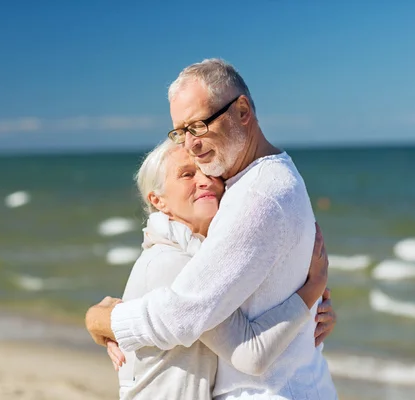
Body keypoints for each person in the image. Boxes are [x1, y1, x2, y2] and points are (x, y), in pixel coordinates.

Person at [86, 58, 339, 399]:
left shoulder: (257, 195)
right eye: (180, 131)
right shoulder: (254, 182)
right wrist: (311, 297)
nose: (189, 144)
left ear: (243, 111)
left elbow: (180, 315)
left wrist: (100, 320)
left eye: (198, 126)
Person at [106, 140, 336, 399]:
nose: (204, 180)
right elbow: (251, 353)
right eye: (187, 175)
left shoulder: (197, 253)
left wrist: (314, 317)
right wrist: (313, 288)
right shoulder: (173, 262)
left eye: (208, 172)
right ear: (158, 200)